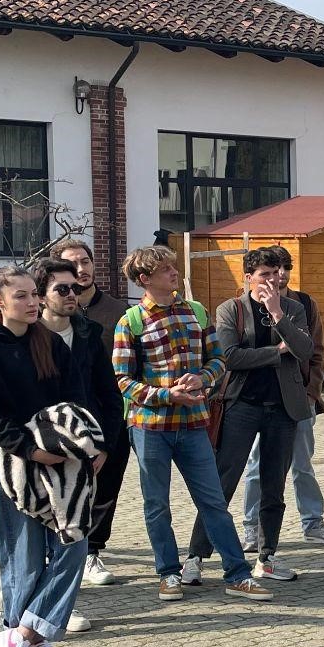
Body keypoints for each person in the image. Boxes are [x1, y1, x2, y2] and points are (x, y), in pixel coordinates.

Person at [0, 266, 103, 647]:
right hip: (14, 465)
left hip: (64, 463)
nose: (32, 302)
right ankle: (37, 646)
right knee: (20, 558)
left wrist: (87, 444)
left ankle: (24, 633)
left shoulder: (51, 343)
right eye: (21, 296)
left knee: (73, 545)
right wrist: (30, 450)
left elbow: (77, 397)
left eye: (33, 295)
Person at [111, 246, 269, 602]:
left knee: (213, 501)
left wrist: (203, 380)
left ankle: (237, 574)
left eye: (173, 266)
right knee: (157, 504)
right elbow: (123, 382)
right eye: (165, 269)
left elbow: (218, 359)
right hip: (150, 428)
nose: (173, 273)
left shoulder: (196, 311)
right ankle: (168, 574)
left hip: (194, 424)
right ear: (144, 279)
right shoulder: (130, 321)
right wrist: (169, 395)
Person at [203, 247, 315, 583]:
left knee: (273, 488)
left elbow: (305, 350)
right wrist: (275, 352)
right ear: (248, 277)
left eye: (277, 272)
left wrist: (278, 315)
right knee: (222, 483)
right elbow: (230, 357)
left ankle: (266, 558)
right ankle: (196, 555)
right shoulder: (230, 309)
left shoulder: (293, 308)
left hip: (282, 409)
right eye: (265, 274)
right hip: (241, 405)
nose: (273, 279)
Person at [237, 244, 324, 552]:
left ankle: (312, 522)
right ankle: (251, 526)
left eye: (285, 269)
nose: (280, 275)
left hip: (297, 399)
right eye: (273, 270)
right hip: (257, 400)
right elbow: (233, 355)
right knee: (257, 465)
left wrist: (312, 393)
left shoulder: (304, 304)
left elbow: (316, 352)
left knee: (302, 463)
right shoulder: (241, 306)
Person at [49, 237, 131, 587]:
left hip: (108, 415)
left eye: (86, 261)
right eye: (72, 264)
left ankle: (93, 550)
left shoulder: (115, 311)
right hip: (59, 426)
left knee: (105, 486)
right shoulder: (42, 321)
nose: (81, 269)